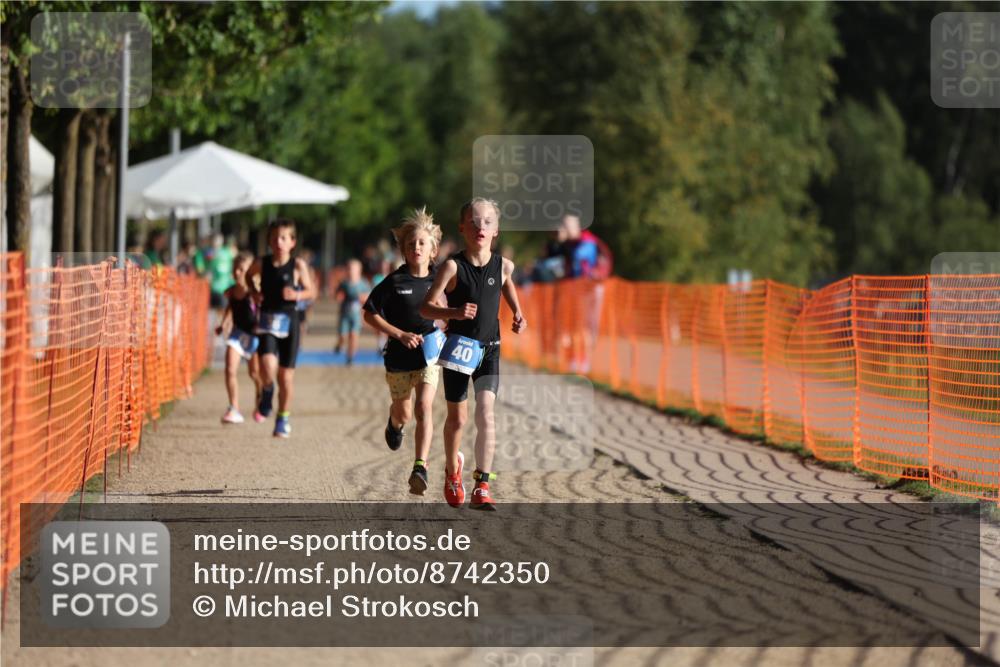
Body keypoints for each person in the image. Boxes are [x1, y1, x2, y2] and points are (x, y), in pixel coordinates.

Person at [420, 198, 527, 511]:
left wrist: (518, 312)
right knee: (458, 418)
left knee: (486, 414)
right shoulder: (453, 266)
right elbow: (426, 307)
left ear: (496, 230)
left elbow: (506, 284)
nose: (481, 227)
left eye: (488, 222)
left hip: (490, 349)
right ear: (462, 227)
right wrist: (453, 311)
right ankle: (453, 472)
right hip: (458, 350)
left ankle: (483, 483)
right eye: (475, 221)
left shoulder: (503, 265)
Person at [363, 207, 445, 495]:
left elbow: (453, 310)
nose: (416, 247)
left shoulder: (442, 279)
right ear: (403, 249)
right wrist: (398, 334)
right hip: (398, 357)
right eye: (411, 243)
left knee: (424, 407)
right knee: (405, 413)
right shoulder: (394, 282)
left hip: (429, 356)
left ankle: (420, 466)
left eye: (422, 242)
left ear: (433, 248)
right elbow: (369, 313)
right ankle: (394, 424)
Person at [246, 219, 316, 438]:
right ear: (269, 241)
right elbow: (249, 275)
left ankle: (282, 417)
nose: (279, 242)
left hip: (290, 321)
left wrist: (296, 295)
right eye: (275, 237)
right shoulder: (262, 263)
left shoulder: (297, 266)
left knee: (285, 377)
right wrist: (254, 291)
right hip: (267, 320)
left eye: (284, 238)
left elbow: (311, 291)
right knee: (266, 367)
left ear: (292, 242)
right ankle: (267, 390)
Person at [214, 252, 262, 424]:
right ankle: (234, 407)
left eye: (242, 270)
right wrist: (224, 323)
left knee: (254, 373)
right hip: (237, 334)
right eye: (235, 269)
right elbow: (231, 308)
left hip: (254, 336)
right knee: (229, 369)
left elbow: (262, 311)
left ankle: (261, 395)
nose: (237, 273)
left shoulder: (254, 293)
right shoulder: (232, 292)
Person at [334, 259, 370, 365]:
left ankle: (350, 357)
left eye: (353, 269)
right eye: (349, 268)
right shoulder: (344, 283)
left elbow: (369, 296)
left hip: (356, 315)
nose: (351, 271)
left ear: (359, 270)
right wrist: (339, 297)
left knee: (354, 336)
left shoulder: (363, 283)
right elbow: (337, 295)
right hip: (344, 315)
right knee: (343, 336)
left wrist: (362, 297)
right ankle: (339, 345)